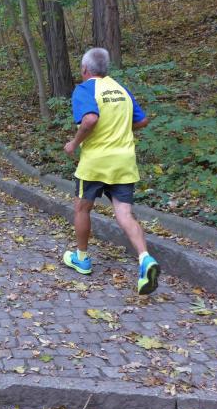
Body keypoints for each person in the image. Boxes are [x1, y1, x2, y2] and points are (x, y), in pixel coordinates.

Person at [62, 47, 160, 295]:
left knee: (82, 208)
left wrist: (74, 143)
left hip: (96, 163)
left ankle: (81, 258)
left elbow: (90, 119)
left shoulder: (85, 89)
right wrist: (119, 130)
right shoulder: (121, 90)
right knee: (124, 214)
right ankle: (145, 258)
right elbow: (142, 120)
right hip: (124, 162)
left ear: (85, 69)